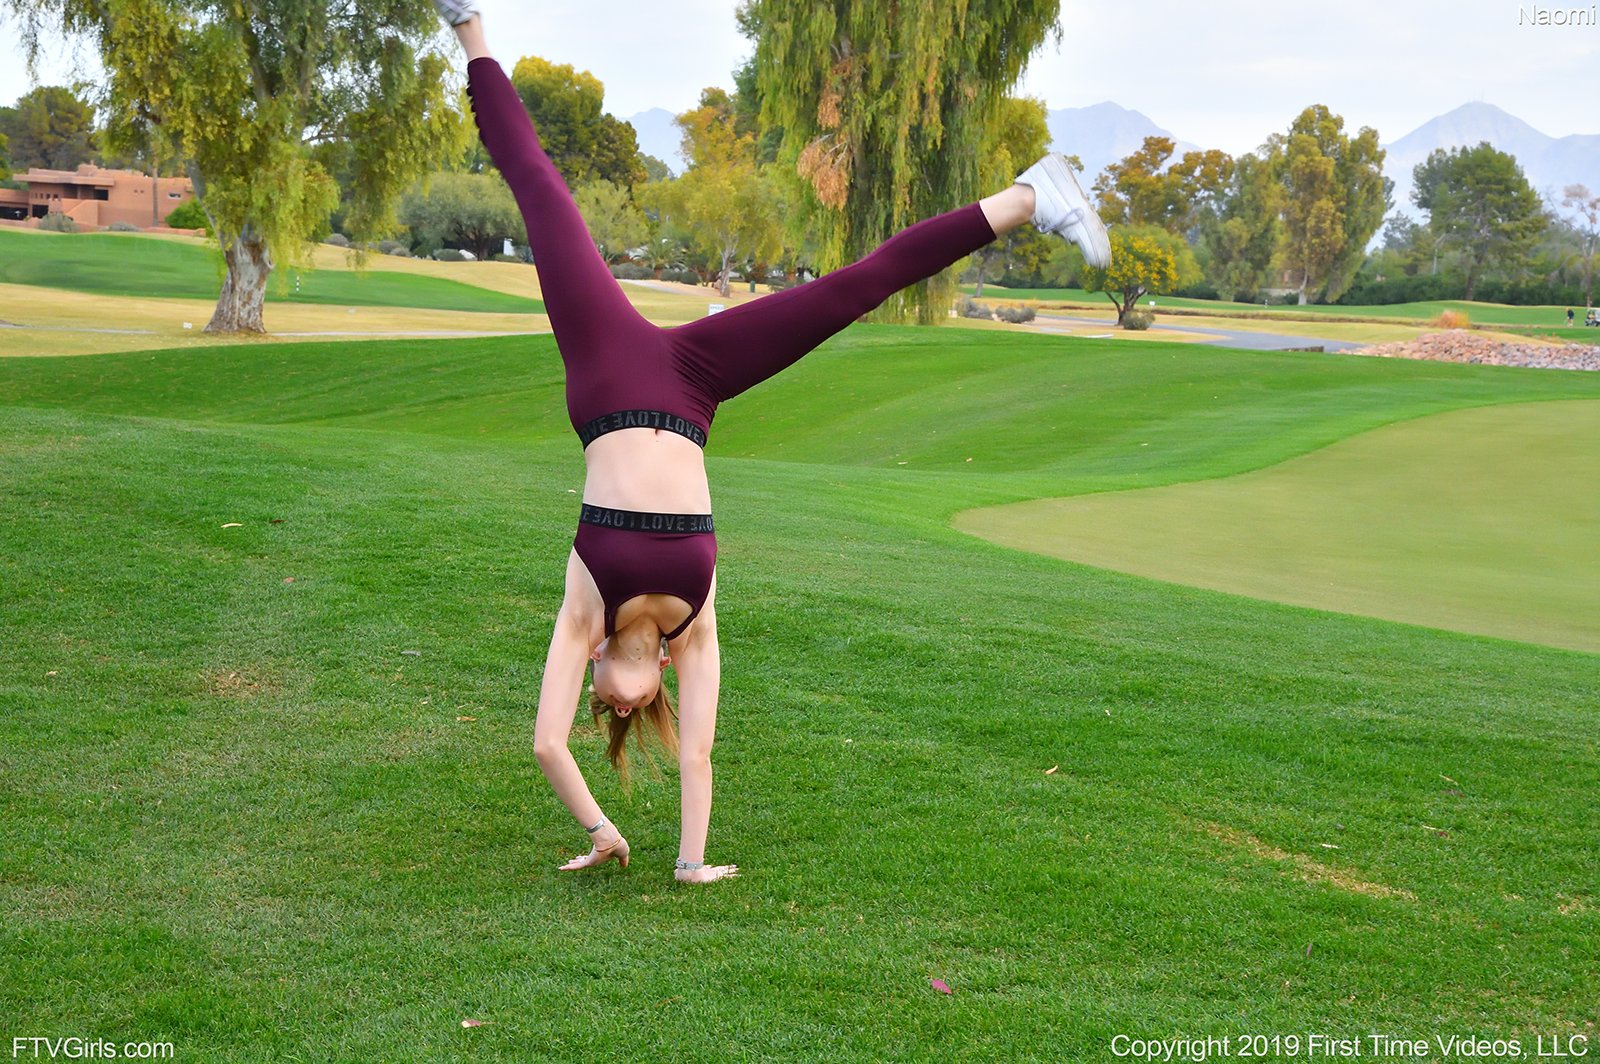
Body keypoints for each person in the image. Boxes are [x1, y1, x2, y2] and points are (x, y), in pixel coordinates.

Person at [433, 0, 1111, 883]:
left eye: (598, 702)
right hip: (693, 388)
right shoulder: (693, 625)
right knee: (849, 293)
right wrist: (687, 863)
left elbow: (545, 748)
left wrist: (600, 828)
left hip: (606, 373)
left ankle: (468, 27)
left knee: (542, 191)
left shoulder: (585, 617)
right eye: (620, 712)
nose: (606, 703)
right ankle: (1029, 195)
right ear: (653, 691)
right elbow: (700, 758)